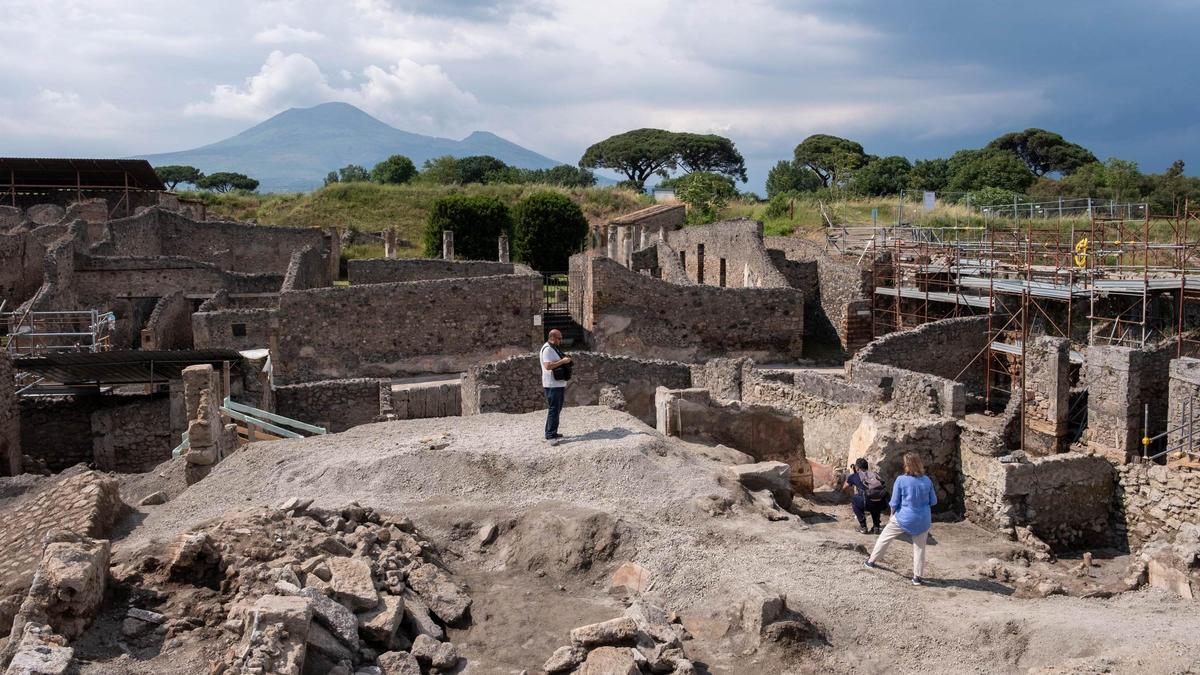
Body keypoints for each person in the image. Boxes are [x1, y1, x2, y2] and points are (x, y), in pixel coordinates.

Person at [864, 452, 937, 586]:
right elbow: (933, 501)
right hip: (923, 519)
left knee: (885, 537)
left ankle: (871, 561)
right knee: (920, 548)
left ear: (906, 465)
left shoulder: (901, 480)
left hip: (904, 517)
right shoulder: (927, 480)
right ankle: (917, 578)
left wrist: (892, 515)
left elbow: (894, 502)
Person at [540, 329, 572, 442]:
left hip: (557, 384)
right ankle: (550, 435)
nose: (561, 340)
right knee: (554, 409)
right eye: (559, 338)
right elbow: (548, 366)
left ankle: (551, 431)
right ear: (552, 337)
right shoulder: (548, 349)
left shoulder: (553, 348)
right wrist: (563, 361)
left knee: (556, 409)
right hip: (552, 384)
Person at [843, 458, 887, 534]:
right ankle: (876, 527)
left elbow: (844, 487)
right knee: (875, 499)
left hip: (866, 503)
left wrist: (850, 477)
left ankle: (863, 526)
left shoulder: (855, 476)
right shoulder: (875, 474)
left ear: (856, 468)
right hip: (882, 503)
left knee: (854, 499)